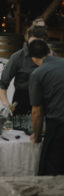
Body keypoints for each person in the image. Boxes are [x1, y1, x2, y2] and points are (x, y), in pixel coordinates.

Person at [28, 38, 64, 175]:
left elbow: (37, 112)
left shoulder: (38, 74)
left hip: (59, 127)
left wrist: (37, 136)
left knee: (51, 174)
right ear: (49, 51)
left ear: (33, 59)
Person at [0, 20, 49, 115]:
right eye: (32, 44)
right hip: (22, 101)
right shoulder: (18, 57)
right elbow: (2, 85)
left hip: (45, 101)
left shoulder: (51, 55)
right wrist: (8, 106)